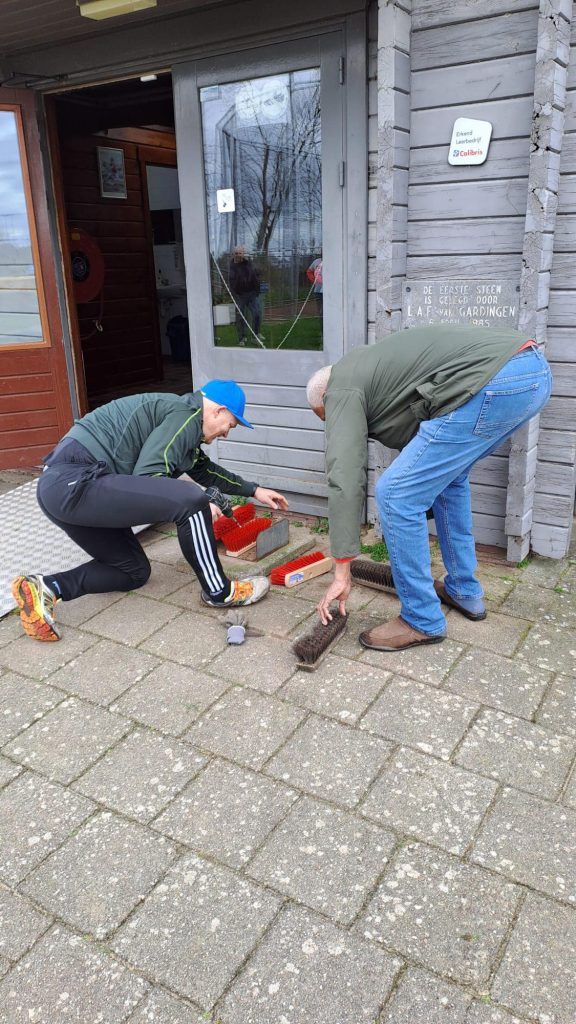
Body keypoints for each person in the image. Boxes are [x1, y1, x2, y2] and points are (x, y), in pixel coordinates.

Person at [306, 324, 552, 651]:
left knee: (395, 494)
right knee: (450, 481)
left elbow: (345, 473)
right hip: (532, 373)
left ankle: (421, 619)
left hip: (495, 379)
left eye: (329, 418)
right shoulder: (372, 368)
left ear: (325, 398)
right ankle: (464, 591)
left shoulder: (340, 387)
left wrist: (341, 569)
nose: (334, 423)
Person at [12, 380, 288, 642]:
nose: (225, 434)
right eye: (229, 425)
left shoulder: (181, 424)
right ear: (218, 410)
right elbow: (150, 477)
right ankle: (220, 591)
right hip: (75, 484)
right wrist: (203, 500)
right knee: (192, 500)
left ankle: (45, 588)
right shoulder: (185, 415)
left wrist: (254, 490)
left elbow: (204, 469)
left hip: (61, 491)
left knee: (133, 571)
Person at [229, 246, 263, 345]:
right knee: (241, 317)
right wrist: (235, 295)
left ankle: (255, 335)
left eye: (240, 253)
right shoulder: (232, 267)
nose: (239, 255)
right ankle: (242, 338)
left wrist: (257, 290)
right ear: (234, 255)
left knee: (257, 313)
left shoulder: (248, 264)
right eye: (237, 253)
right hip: (240, 296)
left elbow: (254, 276)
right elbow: (231, 283)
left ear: (243, 254)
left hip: (252, 294)